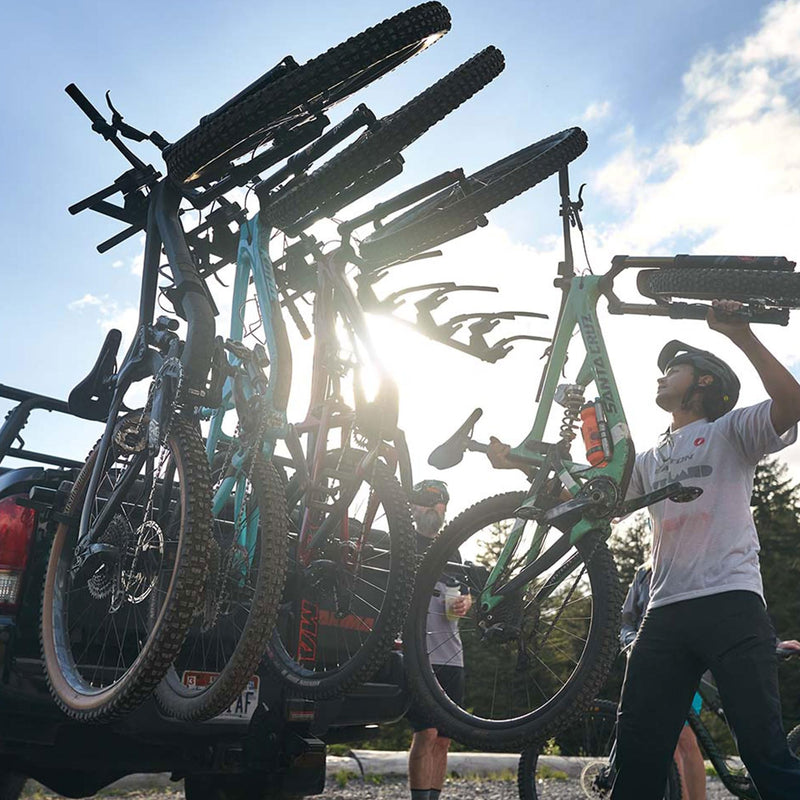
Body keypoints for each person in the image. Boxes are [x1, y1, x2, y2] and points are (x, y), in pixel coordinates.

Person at [487, 300, 800, 799]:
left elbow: (792, 403)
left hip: (732, 602)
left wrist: (742, 336)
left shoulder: (730, 431)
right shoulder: (651, 458)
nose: (661, 376)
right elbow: (589, 501)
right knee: (636, 761)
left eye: (674, 368)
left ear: (704, 383)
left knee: (765, 754)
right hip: (664, 614)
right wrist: (524, 469)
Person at [405, 479, 471, 800]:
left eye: (440, 502)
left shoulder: (452, 547)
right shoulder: (403, 543)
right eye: (427, 501)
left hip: (452, 654)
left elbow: (463, 593)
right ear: (413, 507)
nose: (434, 507)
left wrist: (465, 603)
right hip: (420, 654)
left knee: (444, 738)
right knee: (426, 733)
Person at [621, 562, 707, 800]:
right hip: (647, 665)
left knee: (684, 737)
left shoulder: (688, 567)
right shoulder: (642, 574)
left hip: (684, 665)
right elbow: (626, 620)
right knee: (665, 742)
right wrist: (634, 642)